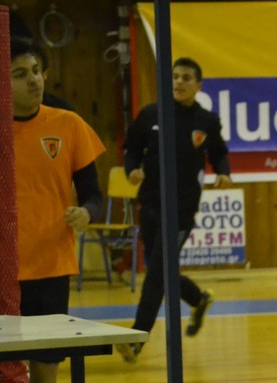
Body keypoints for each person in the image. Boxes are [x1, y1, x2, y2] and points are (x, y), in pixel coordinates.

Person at [10, 37, 105, 383]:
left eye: (37, 70)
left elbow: (94, 193)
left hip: (49, 273)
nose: (34, 80)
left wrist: (86, 211)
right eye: (21, 73)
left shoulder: (67, 125)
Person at [115, 57, 231, 363]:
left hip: (181, 209)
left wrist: (223, 171)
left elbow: (219, 153)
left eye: (186, 78)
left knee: (156, 274)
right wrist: (131, 169)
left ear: (198, 85)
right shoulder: (151, 114)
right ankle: (197, 297)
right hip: (150, 203)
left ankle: (137, 338)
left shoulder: (207, 121)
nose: (179, 82)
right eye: (175, 76)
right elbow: (131, 149)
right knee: (162, 270)